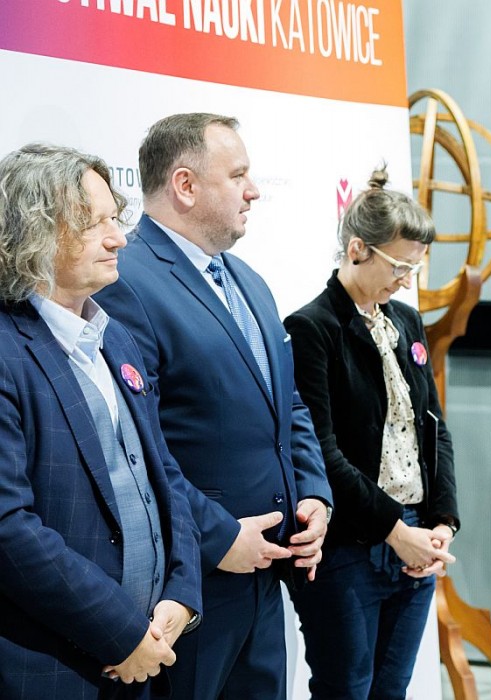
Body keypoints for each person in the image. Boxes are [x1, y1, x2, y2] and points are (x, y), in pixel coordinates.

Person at [95, 113, 332, 699]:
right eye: (238, 175)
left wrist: (313, 493)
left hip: (265, 578)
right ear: (186, 185)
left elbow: (287, 402)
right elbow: (136, 446)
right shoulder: (125, 282)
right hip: (191, 588)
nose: (254, 191)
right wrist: (219, 536)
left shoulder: (248, 279)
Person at [0, 144, 201, 696]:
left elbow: (164, 475)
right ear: (35, 232)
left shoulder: (117, 339)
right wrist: (121, 633)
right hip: (51, 668)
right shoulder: (6, 350)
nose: (119, 239)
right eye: (95, 225)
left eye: (115, 219)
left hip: (150, 656)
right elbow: (8, 528)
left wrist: (183, 593)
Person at [283, 167, 459, 699]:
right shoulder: (311, 328)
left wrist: (443, 520)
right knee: (346, 688)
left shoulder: (405, 320)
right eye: (399, 266)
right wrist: (394, 530)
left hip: (414, 531)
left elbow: (432, 429)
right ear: (358, 248)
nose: (406, 280)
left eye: (415, 268)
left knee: (391, 689)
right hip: (348, 543)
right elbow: (320, 451)